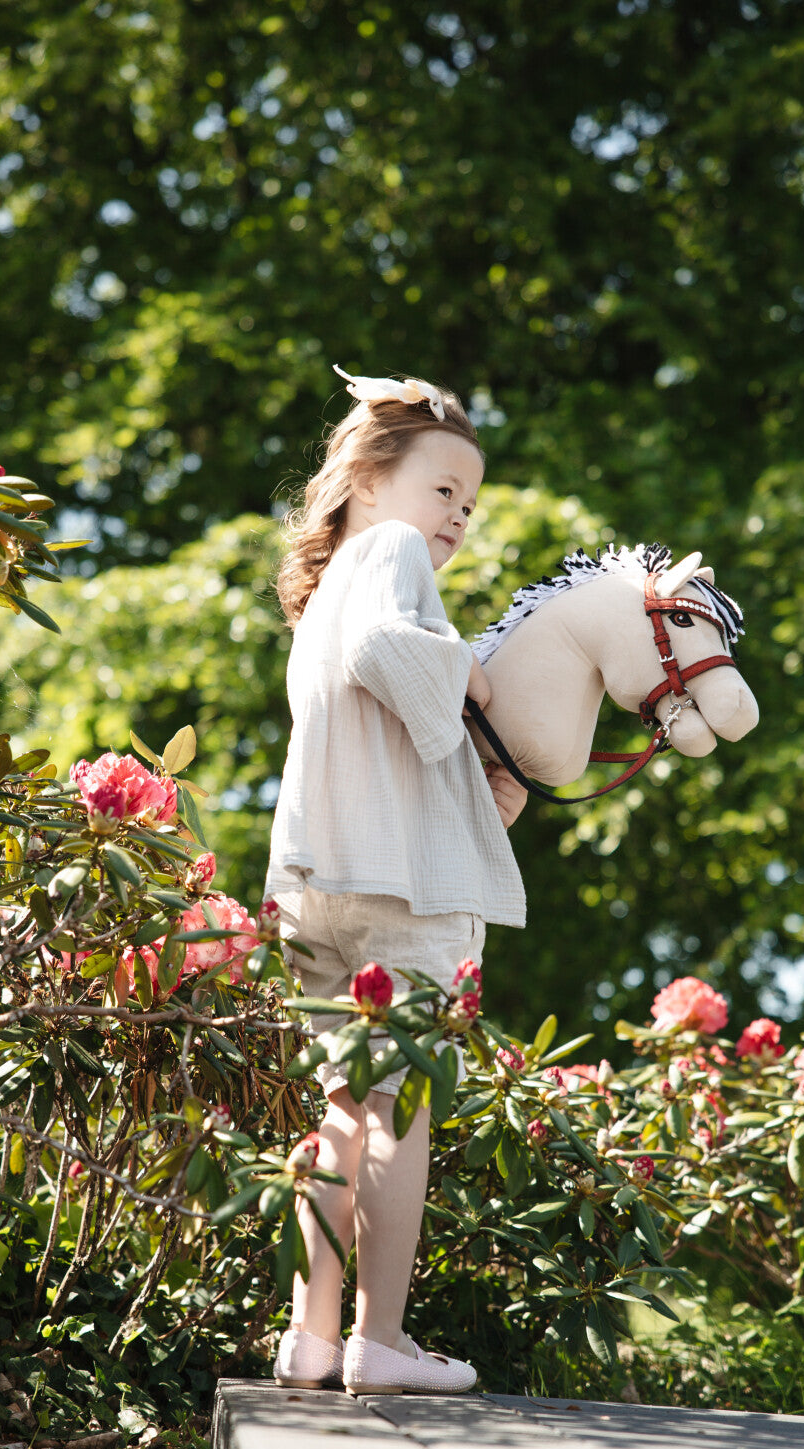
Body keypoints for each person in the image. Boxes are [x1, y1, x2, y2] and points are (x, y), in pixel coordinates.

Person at [266, 365, 526, 1396]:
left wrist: (467, 775)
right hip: (396, 894)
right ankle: (380, 1338)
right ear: (369, 477)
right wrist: (463, 672)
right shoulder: (389, 555)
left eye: (468, 501)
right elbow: (398, 656)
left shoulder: (322, 591)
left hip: (313, 878)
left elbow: (374, 716)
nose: (455, 516)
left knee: (335, 1110)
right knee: (398, 1107)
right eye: (441, 489)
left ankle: (312, 1334)